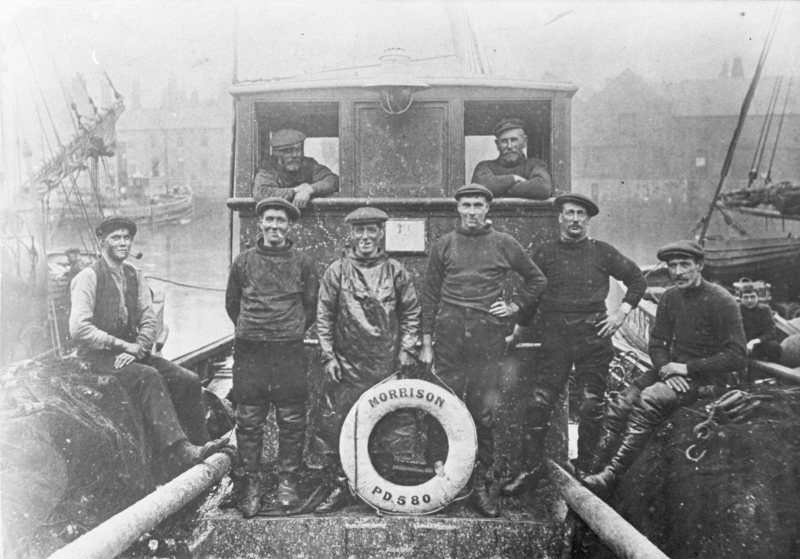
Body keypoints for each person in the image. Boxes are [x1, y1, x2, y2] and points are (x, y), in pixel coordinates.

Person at [501, 193, 647, 496]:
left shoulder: (602, 252)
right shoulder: (543, 253)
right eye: (570, 213)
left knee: (591, 404)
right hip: (554, 337)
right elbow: (530, 296)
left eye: (581, 214)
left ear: (589, 220)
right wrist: (516, 333)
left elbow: (637, 280)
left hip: (593, 336)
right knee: (538, 404)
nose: (575, 219)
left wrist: (621, 314)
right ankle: (530, 470)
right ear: (560, 217)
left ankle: (585, 469)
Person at [582, 240, 747, 500]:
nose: (678, 272)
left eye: (685, 265)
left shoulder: (721, 300)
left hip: (707, 378)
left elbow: (737, 355)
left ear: (700, 266)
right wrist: (667, 370)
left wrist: (685, 368)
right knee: (619, 403)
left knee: (649, 401)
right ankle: (592, 469)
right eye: (673, 266)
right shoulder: (670, 297)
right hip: (671, 372)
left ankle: (612, 474)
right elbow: (657, 342)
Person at [420, 183, 547, 517]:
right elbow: (429, 296)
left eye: (478, 205)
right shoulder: (444, 244)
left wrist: (514, 305)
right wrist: (427, 343)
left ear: (488, 209)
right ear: (458, 209)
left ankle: (482, 485)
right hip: (448, 335)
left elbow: (537, 280)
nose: (472, 211)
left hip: (486, 336)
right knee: (442, 407)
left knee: (482, 413)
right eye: (466, 205)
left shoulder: (504, 244)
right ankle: (441, 484)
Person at [70, 217, 227, 475]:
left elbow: (148, 319)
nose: (123, 242)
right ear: (102, 242)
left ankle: (200, 445)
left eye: (126, 237)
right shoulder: (88, 278)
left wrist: (139, 347)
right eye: (116, 238)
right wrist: (123, 346)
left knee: (188, 379)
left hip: (132, 354)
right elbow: (79, 328)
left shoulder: (135, 275)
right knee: (149, 377)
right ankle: (177, 451)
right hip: (96, 358)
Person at [311, 207, 421, 513]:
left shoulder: (397, 271)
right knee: (335, 425)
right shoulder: (336, 271)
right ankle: (338, 486)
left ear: (381, 233)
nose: (365, 237)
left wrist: (407, 350)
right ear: (350, 234)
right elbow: (323, 317)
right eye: (359, 230)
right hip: (346, 365)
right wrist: (328, 356)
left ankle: (379, 487)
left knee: (386, 425)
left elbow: (412, 313)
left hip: (386, 365)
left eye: (371, 230)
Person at [225, 197, 319, 518]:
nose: (275, 226)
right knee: (249, 419)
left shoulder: (303, 263)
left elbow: (310, 307)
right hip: (250, 350)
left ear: (289, 225)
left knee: (291, 418)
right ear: (260, 223)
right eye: (270, 220)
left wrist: (286, 329)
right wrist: (256, 328)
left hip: (288, 350)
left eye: (281, 220)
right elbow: (232, 305)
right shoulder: (243, 262)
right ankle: (251, 483)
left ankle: (288, 481)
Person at [252, 129, 339, 209]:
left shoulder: (308, 164)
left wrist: (309, 190)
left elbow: (332, 179)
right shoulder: (268, 168)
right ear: (276, 152)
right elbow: (261, 192)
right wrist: (296, 190)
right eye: (288, 151)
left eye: (298, 150)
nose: (295, 155)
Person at [470, 118, 553, 200]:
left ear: (524, 142)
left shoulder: (536, 164)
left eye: (513, 140)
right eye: (504, 141)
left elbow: (543, 187)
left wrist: (500, 189)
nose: (509, 146)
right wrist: (514, 178)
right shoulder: (485, 166)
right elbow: (479, 186)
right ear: (497, 144)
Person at [739, 283, 782, 363]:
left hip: (757, 345)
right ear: (741, 298)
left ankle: (770, 370)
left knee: (774, 346)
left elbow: (771, 332)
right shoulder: (737, 309)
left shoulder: (764, 310)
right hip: (740, 345)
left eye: (752, 296)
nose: (749, 300)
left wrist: (753, 342)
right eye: (745, 297)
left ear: (758, 297)